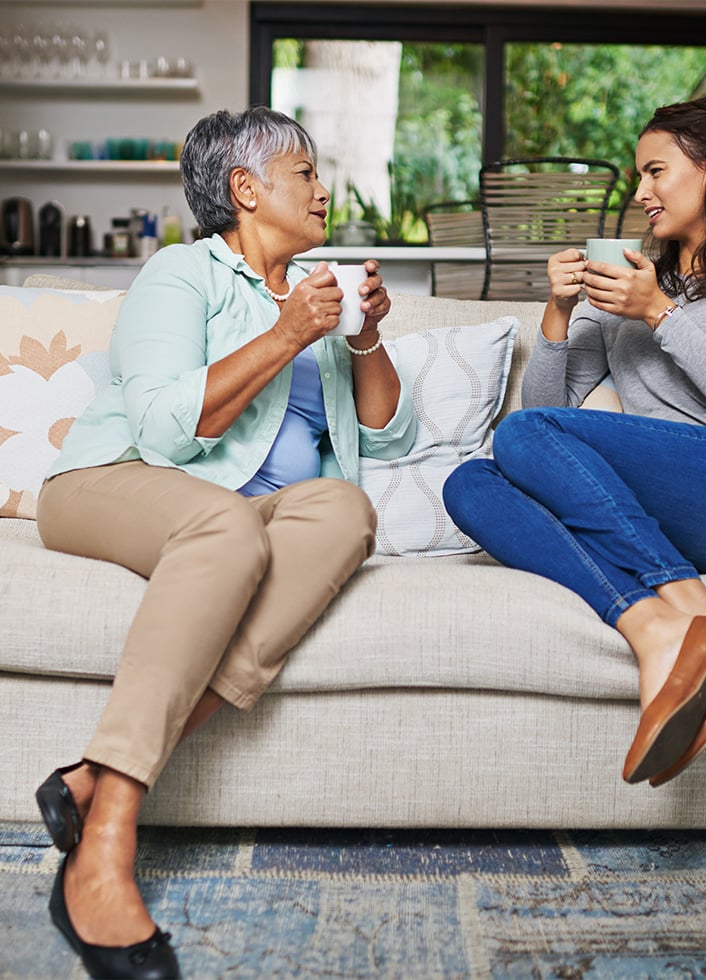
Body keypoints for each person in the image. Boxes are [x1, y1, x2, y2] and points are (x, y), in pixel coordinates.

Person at [34, 107, 416, 979]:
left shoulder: (317, 293)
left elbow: (387, 436)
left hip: (245, 517)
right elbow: (164, 431)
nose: (324, 190)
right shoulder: (183, 273)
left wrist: (363, 337)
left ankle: (93, 776)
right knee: (227, 523)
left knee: (346, 511)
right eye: (305, 172)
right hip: (109, 482)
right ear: (246, 189)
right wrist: (287, 334)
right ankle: (106, 839)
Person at [443, 95, 706, 791]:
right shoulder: (630, 289)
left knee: (522, 437)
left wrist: (659, 313)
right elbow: (544, 420)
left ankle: (699, 617)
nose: (640, 192)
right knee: (471, 483)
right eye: (640, 176)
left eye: (655, 171)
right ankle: (660, 633)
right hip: (695, 517)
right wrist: (559, 310)